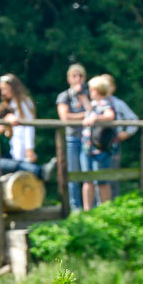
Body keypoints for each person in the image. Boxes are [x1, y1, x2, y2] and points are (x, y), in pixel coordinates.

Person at [0, 73, 57, 181]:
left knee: (19, 165)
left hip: (23, 145)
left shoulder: (23, 102)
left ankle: (40, 171)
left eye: (5, 89)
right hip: (15, 147)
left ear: (13, 87)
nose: (3, 92)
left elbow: (29, 127)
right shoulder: (12, 104)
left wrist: (29, 149)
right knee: (15, 164)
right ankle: (40, 171)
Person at [56, 63, 91, 211]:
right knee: (72, 173)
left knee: (88, 173)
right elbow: (65, 117)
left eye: (80, 75)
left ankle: (91, 207)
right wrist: (84, 116)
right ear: (68, 78)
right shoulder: (64, 96)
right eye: (74, 76)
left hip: (88, 138)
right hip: (71, 138)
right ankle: (74, 207)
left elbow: (92, 111)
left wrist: (82, 96)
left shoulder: (89, 94)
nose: (77, 79)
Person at [80, 75, 116, 211]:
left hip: (99, 148)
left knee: (101, 181)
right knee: (87, 179)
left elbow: (110, 116)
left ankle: (105, 209)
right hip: (88, 147)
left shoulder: (105, 102)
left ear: (96, 90)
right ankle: (87, 210)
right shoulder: (93, 104)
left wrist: (96, 117)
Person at [101, 73, 139, 199]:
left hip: (113, 144)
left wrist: (126, 133)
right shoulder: (94, 102)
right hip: (96, 145)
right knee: (96, 177)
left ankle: (113, 205)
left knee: (113, 175)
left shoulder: (118, 103)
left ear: (113, 87)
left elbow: (134, 120)